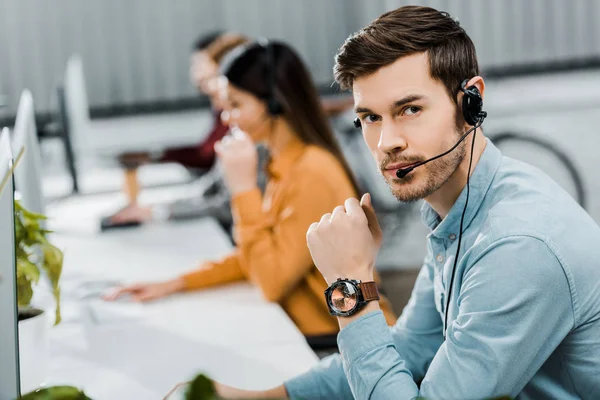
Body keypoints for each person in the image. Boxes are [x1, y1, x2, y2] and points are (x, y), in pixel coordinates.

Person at [206, 6, 600, 399]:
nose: (385, 142)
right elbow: (411, 349)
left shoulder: (517, 245)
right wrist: (261, 397)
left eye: (409, 109)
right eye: (370, 118)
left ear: (471, 101)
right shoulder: (455, 213)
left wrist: (351, 286)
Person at [105, 40, 396, 340]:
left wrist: (243, 190)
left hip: (336, 342)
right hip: (307, 333)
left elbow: (271, 281)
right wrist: (176, 283)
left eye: (236, 105)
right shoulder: (282, 163)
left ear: (273, 104)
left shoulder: (312, 172)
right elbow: (258, 254)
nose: (226, 118)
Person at [101, 31, 248, 230]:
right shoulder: (236, 126)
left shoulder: (251, 138)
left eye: (205, 70)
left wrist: (156, 210)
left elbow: (223, 199)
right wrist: (158, 207)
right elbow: (212, 185)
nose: (196, 75)